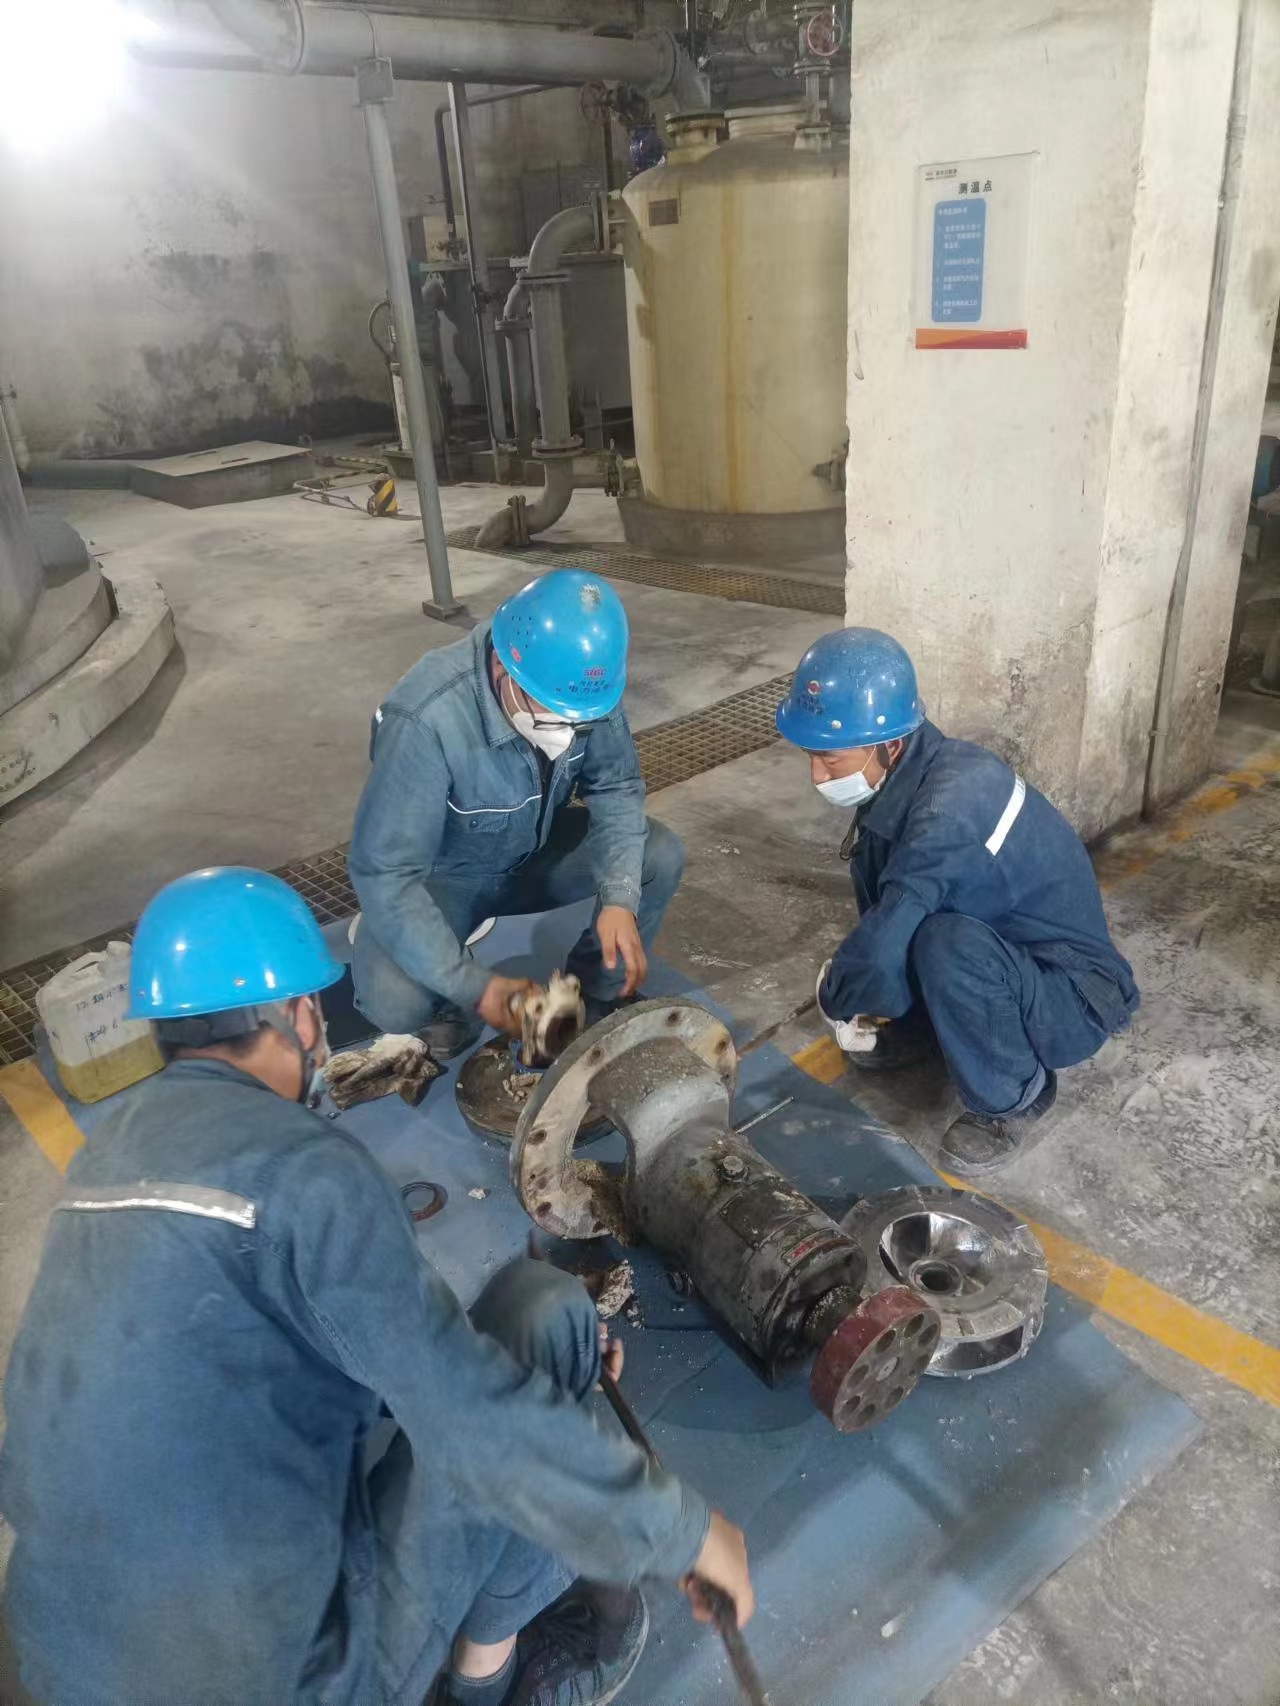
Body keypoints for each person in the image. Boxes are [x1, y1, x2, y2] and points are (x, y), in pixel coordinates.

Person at [0, 867, 751, 1706]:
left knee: (511, 1351)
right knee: (541, 1335)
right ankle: (486, 1683)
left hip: (58, 1660)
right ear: (297, 1016)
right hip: (297, 1682)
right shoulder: (305, 1170)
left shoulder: (102, 1165)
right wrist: (684, 1532)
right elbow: (475, 1427)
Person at [775, 629, 1139, 1175]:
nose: (816, 775)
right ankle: (928, 1031)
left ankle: (1014, 1096)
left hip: (1073, 991)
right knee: (895, 887)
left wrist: (840, 992)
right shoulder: (909, 778)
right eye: (810, 756)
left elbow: (887, 937)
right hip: (1007, 956)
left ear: (889, 744)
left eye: (829, 758)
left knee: (944, 941)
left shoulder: (952, 807)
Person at [348, 570, 683, 1055]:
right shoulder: (425, 719)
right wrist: (474, 987)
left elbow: (616, 786)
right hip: (447, 878)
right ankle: (445, 1000)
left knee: (659, 855)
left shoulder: (580, 690)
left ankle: (595, 993)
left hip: (536, 855)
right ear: (505, 670)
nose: (567, 731)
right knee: (393, 1002)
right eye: (552, 715)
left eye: (578, 721)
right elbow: (387, 873)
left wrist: (619, 897)